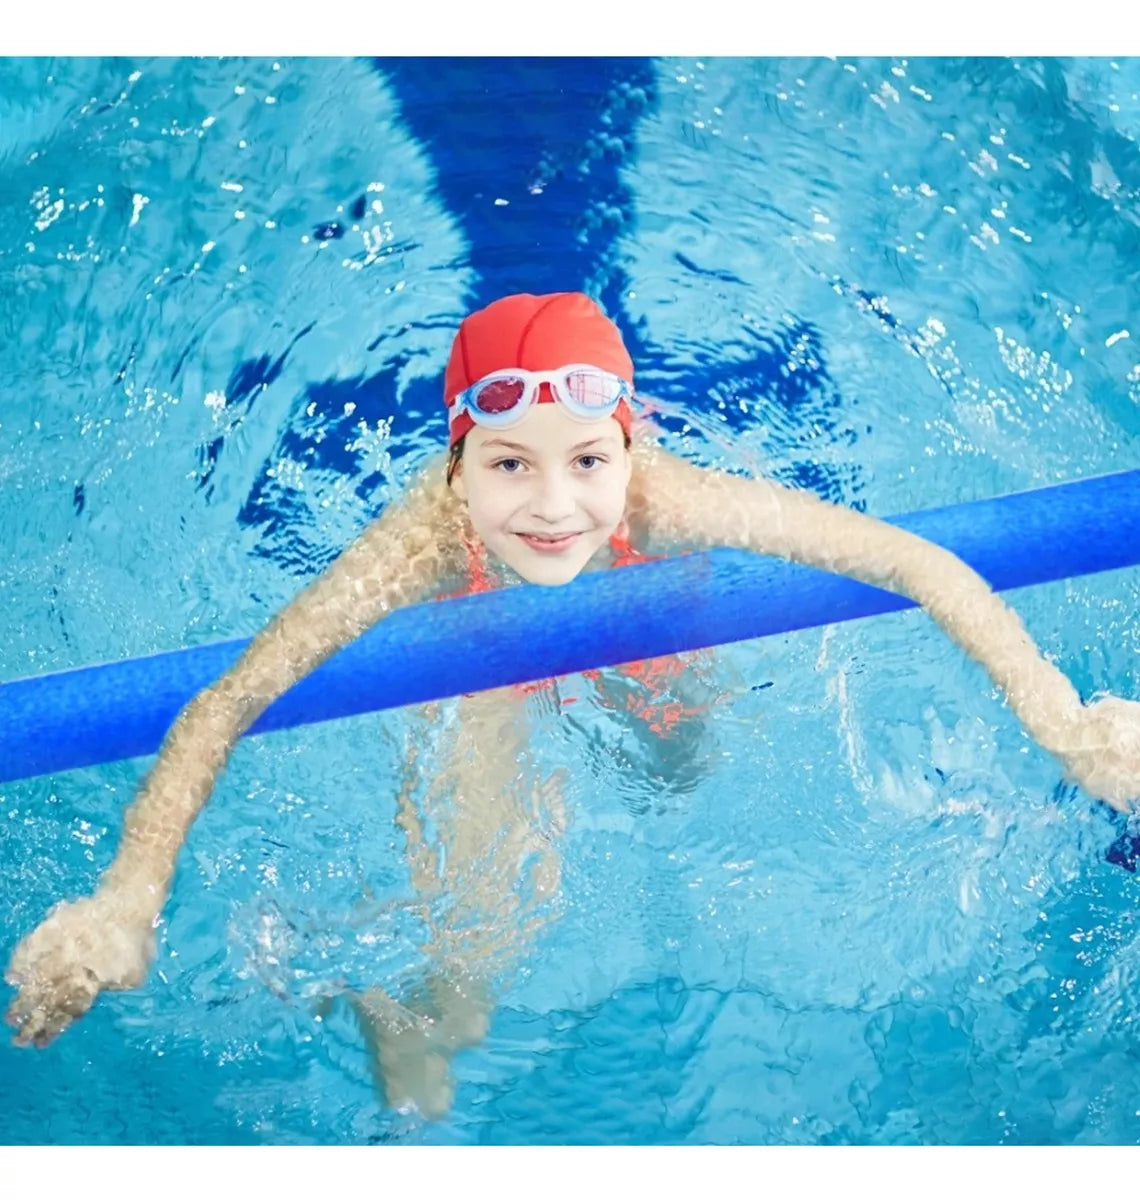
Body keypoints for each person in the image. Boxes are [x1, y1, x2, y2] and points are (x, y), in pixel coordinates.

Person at [6, 292, 1140, 1118]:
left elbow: (914, 564)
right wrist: (127, 896)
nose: (554, 507)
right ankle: (393, 1009)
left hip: (644, 626)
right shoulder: (421, 546)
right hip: (482, 654)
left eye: (587, 460)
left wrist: (1063, 721)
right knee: (478, 962)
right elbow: (225, 701)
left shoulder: (668, 498)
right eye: (509, 466)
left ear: (628, 445)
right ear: (458, 464)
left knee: (677, 768)